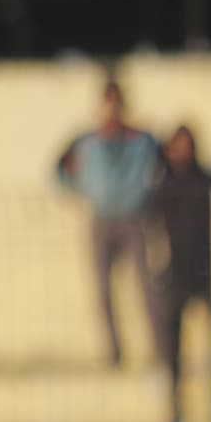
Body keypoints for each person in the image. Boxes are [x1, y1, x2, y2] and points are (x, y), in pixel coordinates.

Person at [56, 80, 163, 370]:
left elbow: (162, 169)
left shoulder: (142, 140)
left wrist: (147, 198)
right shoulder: (88, 142)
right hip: (102, 218)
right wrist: (82, 186)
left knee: (146, 286)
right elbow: (59, 172)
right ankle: (114, 352)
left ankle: (159, 347)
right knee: (102, 290)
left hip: (134, 217)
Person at [153, 127, 211, 422]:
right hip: (176, 273)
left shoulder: (207, 182)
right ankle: (176, 411)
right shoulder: (165, 184)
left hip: (207, 272)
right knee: (173, 351)